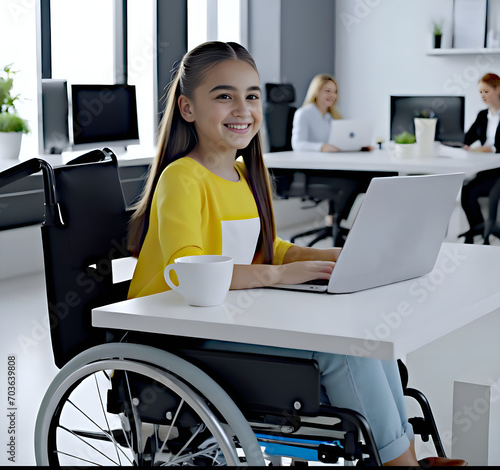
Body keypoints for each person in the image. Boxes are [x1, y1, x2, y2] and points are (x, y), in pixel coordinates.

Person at [127, 41, 466, 467]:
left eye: (251, 96)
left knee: (372, 341)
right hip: (179, 333)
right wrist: (278, 276)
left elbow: (266, 249)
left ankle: (406, 459)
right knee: (342, 351)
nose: (242, 109)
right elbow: (192, 269)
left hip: (222, 320)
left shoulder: (240, 175)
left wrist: (328, 256)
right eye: (223, 96)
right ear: (187, 108)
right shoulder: (182, 178)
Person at [290, 74, 368, 243]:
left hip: (329, 167)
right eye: (327, 91)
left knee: (365, 178)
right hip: (308, 172)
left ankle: (337, 222)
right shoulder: (304, 113)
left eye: (335, 91)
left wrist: (357, 146)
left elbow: (338, 143)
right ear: (316, 92)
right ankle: (337, 225)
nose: (332, 95)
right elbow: (297, 144)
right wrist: (321, 146)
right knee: (350, 183)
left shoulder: (331, 117)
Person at [460, 73, 500, 244]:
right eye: (480, 92)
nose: (483, 96)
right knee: (467, 190)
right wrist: (465, 146)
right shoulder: (483, 115)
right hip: (487, 168)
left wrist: (488, 149)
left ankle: (486, 232)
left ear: (498, 89)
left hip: (499, 171)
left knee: (489, 194)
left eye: (486, 91)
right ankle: (479, 230)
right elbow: (467, 138)